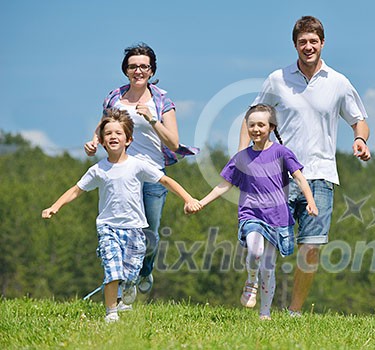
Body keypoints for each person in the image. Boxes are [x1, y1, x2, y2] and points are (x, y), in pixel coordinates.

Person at [239, 16, 371, 316]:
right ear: (295, 45)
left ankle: (295, 312)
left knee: (310, 247)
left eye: (313, 41)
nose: (308, 47)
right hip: (277, 175)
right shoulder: (277, 79)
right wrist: (244, 158)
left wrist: (360, 140)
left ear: (322, 43)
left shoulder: (338, 82)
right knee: (266, 243)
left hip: (321, 176)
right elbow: (254, 116)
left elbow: (358, 119)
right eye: (302, 42)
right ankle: (262, 303)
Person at [43, 109, 201, 323]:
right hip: (108, 228)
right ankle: (111, 313)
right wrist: (55, 206)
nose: (113, 137)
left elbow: (165, 181)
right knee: (112, 270)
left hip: (135, 228)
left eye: (118, 133)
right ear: (101, 141)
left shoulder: (137, 165)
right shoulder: (98, 170)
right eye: (108, 134)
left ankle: (127, 288)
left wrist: (188, 198)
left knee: (130, 273)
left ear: (128, 139)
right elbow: (76, 189)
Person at [84, 43, 196, 298]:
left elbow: (174, 143)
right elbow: (103, 126)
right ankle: (125, 282)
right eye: (133, 66)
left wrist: (152, 119)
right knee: (122, 229)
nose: (138, 71)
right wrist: (93, 142)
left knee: (150, 233)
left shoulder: (162, 100)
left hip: (153, 172)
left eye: (143, 66)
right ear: (126, 70)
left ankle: (144, 270)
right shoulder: (114, 98)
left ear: (151, 70)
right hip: (121, 172)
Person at [191, 104, 318, 320]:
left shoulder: (281, 152)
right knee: (255, 251)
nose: (256, 129)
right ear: (247, 127)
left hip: (277, 217)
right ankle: (251, 279)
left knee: (268, 266)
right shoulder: (242, 158)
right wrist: (202, 202)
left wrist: (310, 201)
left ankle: (265, 313)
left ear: (271, 127)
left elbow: (299, 177)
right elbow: (224, 185)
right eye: (252, 125)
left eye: (261, 125)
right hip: (251, 214)